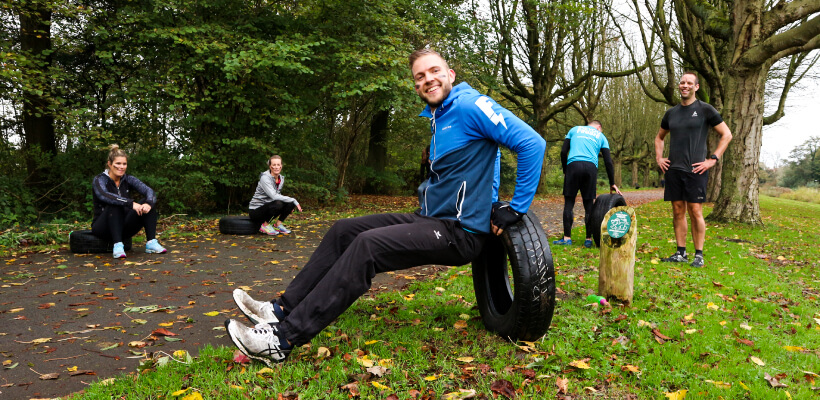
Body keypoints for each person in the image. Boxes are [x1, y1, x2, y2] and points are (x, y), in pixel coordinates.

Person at [224, 48, 547, 366]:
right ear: (416, 85)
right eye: (420, 76)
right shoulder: (440, 115)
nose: (428, 79)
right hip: (431, 218)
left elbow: (531, 142)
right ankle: (280, 309)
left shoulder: (471, 104)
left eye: (434, 71)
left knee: (368, 246)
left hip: (459, 231)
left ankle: (282, 340)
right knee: (343, 230)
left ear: (450, 75)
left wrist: (516, 207)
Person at [655, 71, 732, 268]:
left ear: (696, 87)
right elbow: (659, 137)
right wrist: (659, 157)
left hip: (696, 169)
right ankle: (681, 253)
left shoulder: (705, 109)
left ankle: (699, 254)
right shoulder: (671, 113)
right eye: (682, 82)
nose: (685, 85)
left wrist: (712, 159)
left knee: (695, 211)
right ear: (679, 86)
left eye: (689, 83)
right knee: (677, 210)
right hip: (674, 170)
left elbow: (727, 135)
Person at [553, 120, 621, 248]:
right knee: (589, 204)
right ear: (599, 127)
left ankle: (567, 238)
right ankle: (588, 239)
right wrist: (612, 183)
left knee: (569, 203)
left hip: (573, 165)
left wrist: (565, 170)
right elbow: (608, 161)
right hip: (590, 167)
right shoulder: (601, 136)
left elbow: (563, 152)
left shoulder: (574, 129)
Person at [91, 144, 167, 258]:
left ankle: (151, 242)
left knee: (147, 202)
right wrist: (130, 203)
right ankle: (117, 245)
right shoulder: (99, 179)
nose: (121, 167)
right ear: (110, 164)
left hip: (124, 226)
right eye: (118, 163)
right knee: (115, 203)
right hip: (103, 227)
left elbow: (149, 191)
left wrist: (148, 203)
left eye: (124, 164)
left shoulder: (128, 179)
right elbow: (104, 195)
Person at [248, 155, 302, 235]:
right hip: (256, 210)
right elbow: (274, 196)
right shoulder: (265, 178)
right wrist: (294, 200)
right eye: (274, 165)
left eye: (278, 165)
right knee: (280, 203)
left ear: (281, 166)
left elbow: (278, 195)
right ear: (270, 166)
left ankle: (278, 225)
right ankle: (264, 225)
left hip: (269, 207)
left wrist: (287, 207)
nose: (276, 167)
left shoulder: (281, 178)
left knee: (290, 203)